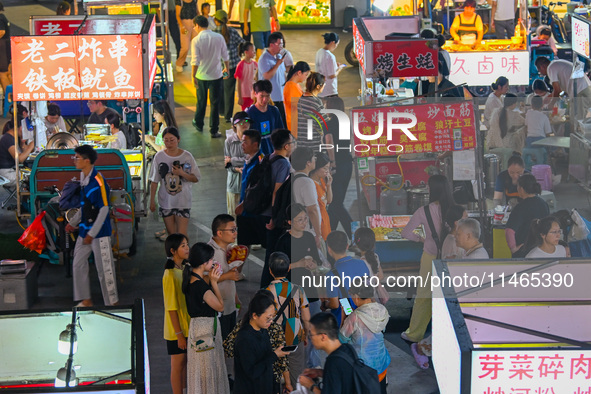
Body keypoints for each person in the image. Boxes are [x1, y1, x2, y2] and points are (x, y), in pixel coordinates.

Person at [400, 174, 454, 343]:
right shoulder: (456, 209)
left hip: (430, 256)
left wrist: (422, 239)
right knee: (449, 295)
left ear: (432, 190)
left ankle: (414, 333)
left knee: (424, 295)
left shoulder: (423, 211)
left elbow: (406, 233)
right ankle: (448, 332)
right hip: (452, 257)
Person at [65, 145, 119, 307]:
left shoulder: (99, 182)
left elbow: (104, 209)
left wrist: (92, 234)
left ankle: (112, 303)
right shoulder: (84, 177)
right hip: (84, 230)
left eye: (77, 157)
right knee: (78, 263)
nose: (74, 160)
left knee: (105, 270)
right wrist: (73, 223)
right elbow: (85, 205)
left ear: (86, 161)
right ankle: (85, 300)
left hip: (100, 233)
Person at [182, 242, 229, 394]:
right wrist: (214, 283)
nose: (213, 263)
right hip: (207, 329)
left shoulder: (190, 280)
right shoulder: (201, 286)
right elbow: (220, 307)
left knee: (199, 370)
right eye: (211, 260)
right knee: (208, 369)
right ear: (204, 262)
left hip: (196, 327)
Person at [265, 251, 310, 390]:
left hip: (274, 337)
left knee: (275, 372)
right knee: (296, 373)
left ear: (270, 270)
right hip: (295, 333)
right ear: (288, 268)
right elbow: (306, 317)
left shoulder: (266, 292)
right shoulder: (298, 289)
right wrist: (306, 333)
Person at [233, 289, 290, 394]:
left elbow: (267, 367)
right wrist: (274, 355)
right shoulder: (244, 339)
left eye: (272, 317)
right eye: (268, 318)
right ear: (255, 315)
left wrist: (275, 388)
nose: (271, 321)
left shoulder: (263, 330)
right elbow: (252, 372)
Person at [149, 127, 201, 238]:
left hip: (183, 201)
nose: (169, 143)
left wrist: (182, 173)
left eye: (172, 140)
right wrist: (152, 201)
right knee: (171, 235)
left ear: (178, 139)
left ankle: (184, 255)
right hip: (166, 202)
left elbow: (196, 178)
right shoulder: (159, 156)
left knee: (182, 234)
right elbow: (154, 181)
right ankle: (172, 256)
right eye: (166, 140)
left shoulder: (187, 156)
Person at [340, 284, 391, 394]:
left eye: (352, 297)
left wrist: (344, 318)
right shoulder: (382, 309)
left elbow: (342, 339)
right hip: (381, 362)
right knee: (380, 390)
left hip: (363, 366)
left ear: (357, 297)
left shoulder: (355, 317)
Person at [298, 312, 360, 394]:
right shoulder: (347, 348)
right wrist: (320, 372)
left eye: (311, 335)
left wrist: (311, 385)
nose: (310, 339)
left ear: (323, 337)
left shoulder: (333, 362)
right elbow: (342, 377)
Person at [191, 15, 230, 139]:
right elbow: (225, 55)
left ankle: (198, 123)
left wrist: (193, 76)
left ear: (197, 25)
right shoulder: (218, 37)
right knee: (215, 103)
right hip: (216, 75)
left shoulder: (196, 40)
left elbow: (195, 61)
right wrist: (227, 68)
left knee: (201, 101)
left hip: (201, 76)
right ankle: (214, 130)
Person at [323, 231, 371, 327]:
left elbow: (335, 304)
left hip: (345, 318)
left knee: (346, 340)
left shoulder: (331, 274)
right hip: (364, 314)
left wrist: (325, 304)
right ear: (347, 246)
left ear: (329, 249)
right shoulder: (362, 264)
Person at [162, 234, 190, 394]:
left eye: (187, 244)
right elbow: (171, 308)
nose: (187, 248)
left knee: (184, 363)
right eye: (183, 246)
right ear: (173, 251)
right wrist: (179, 335)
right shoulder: (170, 275)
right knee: (177, 365)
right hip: (176, 330)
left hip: (186, 326)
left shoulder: (185, 269)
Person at [325, 97, 352, 238]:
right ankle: (329, 235)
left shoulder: (328, 123)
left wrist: (332, 162)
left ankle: (354, 235)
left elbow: (329, 140)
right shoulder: (346, 121)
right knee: (336, 202)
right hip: (347, 163)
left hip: (338, 165)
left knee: (336, 203)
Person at [505, 174, 549, 257]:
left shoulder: (520, 207)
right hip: (542, 250)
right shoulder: (543, 204)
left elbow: (509, 231)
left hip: (524, 252)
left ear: (521, 189)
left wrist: (513, 248)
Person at [214, 9, 244, 123]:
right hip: (231, 66)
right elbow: (242, 42)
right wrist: (238, 53)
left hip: (218, 67)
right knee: (229, 91)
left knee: (219, 88)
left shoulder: (213, 33)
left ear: (216, 20)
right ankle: (227, 116)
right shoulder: (232, 31)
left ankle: (221, 111)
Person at [291, 147, 322, 248]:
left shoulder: (293, 177)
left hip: (297, 228)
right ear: (308, 162)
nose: (315, 161)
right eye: (314, 158)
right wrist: (318, 234)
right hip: (307, 230)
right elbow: (312, 210)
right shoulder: (306, 182)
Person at [245, 80, 284, 156]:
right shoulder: (249, 113)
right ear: (255, 94)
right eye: (262, 96)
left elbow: (281, 133)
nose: (265, 100)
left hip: (273, 154)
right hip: (257, 156)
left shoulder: (274, 111)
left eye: (267, 96)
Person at [297, 72, 332, 153]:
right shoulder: (316, 102)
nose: (324, 86)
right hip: (314, 146)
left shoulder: (301, 99)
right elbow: (326, 122)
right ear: (318, 86)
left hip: (301, 144)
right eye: (323, 84)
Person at [258, 32, 287, 123]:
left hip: (281, 96)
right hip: (271, 98)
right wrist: (277, 64)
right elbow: (267, 76)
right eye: (279, 44)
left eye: (282, 44)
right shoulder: (264, 58)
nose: (281, 47)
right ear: (271, 44)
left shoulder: (279, 56)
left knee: (281, 122)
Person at [225, 112, 250, 217]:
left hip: (249, 187)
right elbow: (227, 165)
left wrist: (233, 160)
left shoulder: (253, 140)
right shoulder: (229, 141)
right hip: (234, 186)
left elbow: (251, 160)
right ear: (234, 125)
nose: (244, 124)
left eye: (247, 121)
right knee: (233, 218)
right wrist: (236, 168)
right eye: (241, 122)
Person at [0, 116, 33, 187]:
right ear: (20, 127)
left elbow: (24, 154)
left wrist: (22, 143)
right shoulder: (8, 139)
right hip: (6, 175)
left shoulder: (13, 138)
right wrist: (31, 146)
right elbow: (20, 159)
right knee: (34, 177)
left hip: (12, 170)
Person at [309, 152, 332, 240]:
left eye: (329, 168)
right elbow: (322, 204)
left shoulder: (322, 180)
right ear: (316, 167)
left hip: (325, 220)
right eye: (325, 168)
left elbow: (329, 200)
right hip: (318, 224)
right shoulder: (311, 185)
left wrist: (329, 185)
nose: (328, 171)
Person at [283, 61, 310, 134]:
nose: (306, 78)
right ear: (299, 73)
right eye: (306, 75)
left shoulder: (295, 85)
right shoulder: (291, 87)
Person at [316, 32, 345, 99]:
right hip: (329, 90)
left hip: (320, 88)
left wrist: (334, 65)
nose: (336, 47)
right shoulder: (330, 56)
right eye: (336, 44)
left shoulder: (319, 52)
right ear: (332, 42)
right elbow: (332, 75)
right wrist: (339, 69)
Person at [175, 0, 198, 72]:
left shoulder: (194, 1)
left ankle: (200, 63)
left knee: (199, 44)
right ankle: (179, 63)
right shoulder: (180, 1)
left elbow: (197, 12)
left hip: (195, 24)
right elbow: (177, 15)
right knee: (185, 47)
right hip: (185, 24)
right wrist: (181, 26)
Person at [235, 42, 258, 111]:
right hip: (244, 95)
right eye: (253, 50)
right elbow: (238, 82)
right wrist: (240, 97)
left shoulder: (255, 64)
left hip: (254, 94)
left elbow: (257, 79)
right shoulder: (240, 65)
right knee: (246, 114)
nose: (254, 52)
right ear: (246, 52)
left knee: (254, 112)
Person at [0, 1, 11, 93]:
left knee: (2, 73)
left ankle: (9, 98)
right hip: (6, 46)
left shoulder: (0, 18)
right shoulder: (3, 17)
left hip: (2, 47)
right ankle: (13, 97)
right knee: (7, 73)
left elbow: (1, 31)